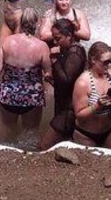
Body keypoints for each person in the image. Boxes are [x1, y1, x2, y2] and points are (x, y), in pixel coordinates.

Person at [0, 8, 51, 139]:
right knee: (30, 132)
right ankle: (26, 156)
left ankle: (1, 150)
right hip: (31, 97)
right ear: (37, 24)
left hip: (8, 94)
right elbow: (48, 73)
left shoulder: (7, 41)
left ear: (21, 22)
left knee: (6, 127)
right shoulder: (42, 46)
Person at [39, 18, 86, 149]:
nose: (55, 42)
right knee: (63, 144)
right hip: (63, 104)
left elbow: (66, 80)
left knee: (44, 146)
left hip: (69, 109)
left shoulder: (75, 52)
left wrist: (54, 60)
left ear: (69, 36)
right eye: (54, 38)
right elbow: (66, 83)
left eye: (58, 38)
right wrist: (52, 80)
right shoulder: (66, 49)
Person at [72, 41, 111, 148]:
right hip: (86, 135)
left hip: (108, 132)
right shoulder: (83, 82)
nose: (108, 65)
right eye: (105, 62)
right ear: (93, 60)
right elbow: (79, 115)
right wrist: (97, 106)